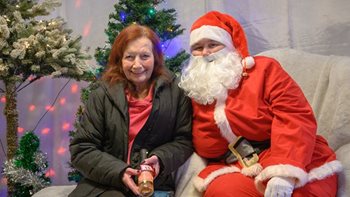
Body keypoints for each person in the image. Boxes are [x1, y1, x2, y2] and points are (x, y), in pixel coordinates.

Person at [178, 11, 343, 197]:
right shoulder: (196, 89)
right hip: (237, 166)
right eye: (198, 48)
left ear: (230, 45)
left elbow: (294, 116)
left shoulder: (264, 69)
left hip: (291, 153)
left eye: (213, 45)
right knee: (223, 191)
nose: (206, 53)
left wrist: (285, 172)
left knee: (302, 192)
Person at [69, 24, 193, 197]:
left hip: (153, 185)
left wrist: (161, 160)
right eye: (129, 57)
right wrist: (120, 171)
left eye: (144, 56)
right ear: (120, 60)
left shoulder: (176, 92)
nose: (137, 65)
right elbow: (82, 149)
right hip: (104, 185)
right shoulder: (101, 95)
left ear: (156, 58)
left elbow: (184, 140)